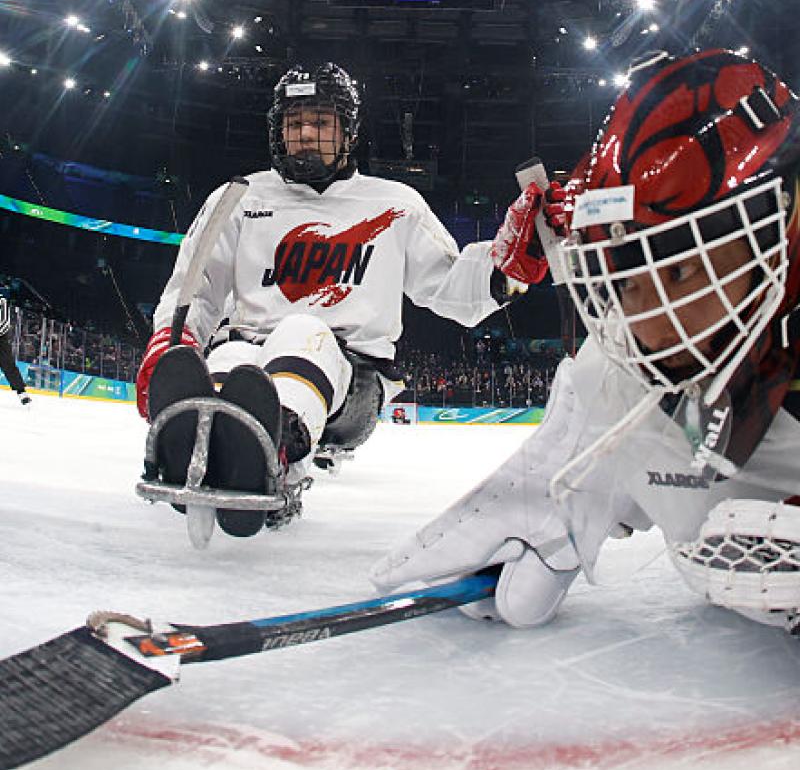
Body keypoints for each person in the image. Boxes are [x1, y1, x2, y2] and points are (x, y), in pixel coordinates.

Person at [373, 49, 800, 636]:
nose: (645, 321)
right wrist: (552, 517)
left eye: (679, 268)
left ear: (780, 225)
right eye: (623, 277)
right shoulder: (617, 375)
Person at [136, 61, 546, 538]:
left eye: (321, 122)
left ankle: (273, 447)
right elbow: (195, 287)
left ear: (348, 132)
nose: (306, 134)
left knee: (302, 332)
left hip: (353, 380)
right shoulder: (239, 196)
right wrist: (170, 342)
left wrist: (508, 270)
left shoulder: (395, 204)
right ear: (277, 132)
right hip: (253, 353)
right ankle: (206, 438)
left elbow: (451, 288)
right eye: (294, 123)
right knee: (230, 354)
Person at [0, 297, 32, 407]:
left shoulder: (1, 301)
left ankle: (21, 392)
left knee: (8, 364)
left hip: (1, 339)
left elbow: (5, 322)